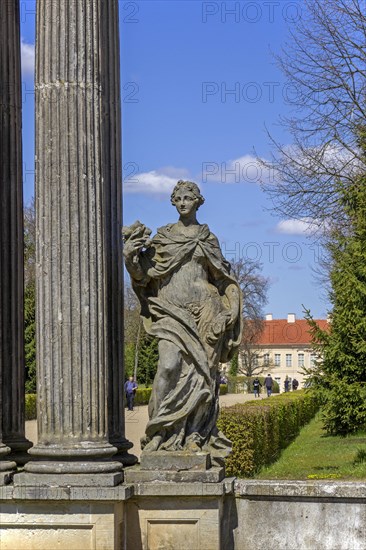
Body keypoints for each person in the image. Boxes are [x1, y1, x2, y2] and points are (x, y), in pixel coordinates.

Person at [123, 180, 242, 460]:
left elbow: (225, 281)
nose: (183, 202)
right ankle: (158, 432)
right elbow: (144, 276)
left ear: (198, 202)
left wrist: (231, 310)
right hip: (172, 312)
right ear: (173, 202)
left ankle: (195, 436)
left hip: (206, 313)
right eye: (178, 198)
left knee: (204, 378)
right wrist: (130, 260)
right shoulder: (163, 238)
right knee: (168, 366)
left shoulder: (207, 239)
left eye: (189, 198)